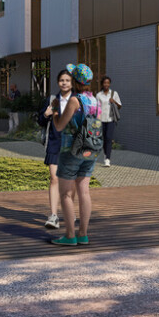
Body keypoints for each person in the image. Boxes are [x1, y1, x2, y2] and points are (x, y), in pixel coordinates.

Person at [49, 64, 102, 247]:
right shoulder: (95, 100)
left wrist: (55, 110)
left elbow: (59, 126)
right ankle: (83, 234)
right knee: (84, 192)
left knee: (65, 194)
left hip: (71, 150)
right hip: (91, 150)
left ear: (75, 81)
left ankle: (70, 236)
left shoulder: (74, 101)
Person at [41, 69, 74, 231]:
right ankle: (53, 215)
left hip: (72, 145)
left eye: (67, 80)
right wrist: (45, 114)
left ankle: (69, 212)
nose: (64, 83)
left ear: (72, 82)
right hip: (55, 143)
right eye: (62, 80)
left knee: (70, 182)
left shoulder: (78, 100)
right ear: (57, 82)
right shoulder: (52, 100)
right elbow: (41, 120)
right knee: (54, 178)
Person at [95, 76, 123, 167]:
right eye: (104, 83)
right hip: (101, 120)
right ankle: (105, 154)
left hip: (110, 120)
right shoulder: (99, 95)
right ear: (102, 84)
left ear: (109, 84)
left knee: (109, 138)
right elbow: (96, 108)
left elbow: (120, 106)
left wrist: (114, 101)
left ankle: (108, 159)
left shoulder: (114, 93)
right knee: (103, 139)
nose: (106, 84)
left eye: (108, 83)